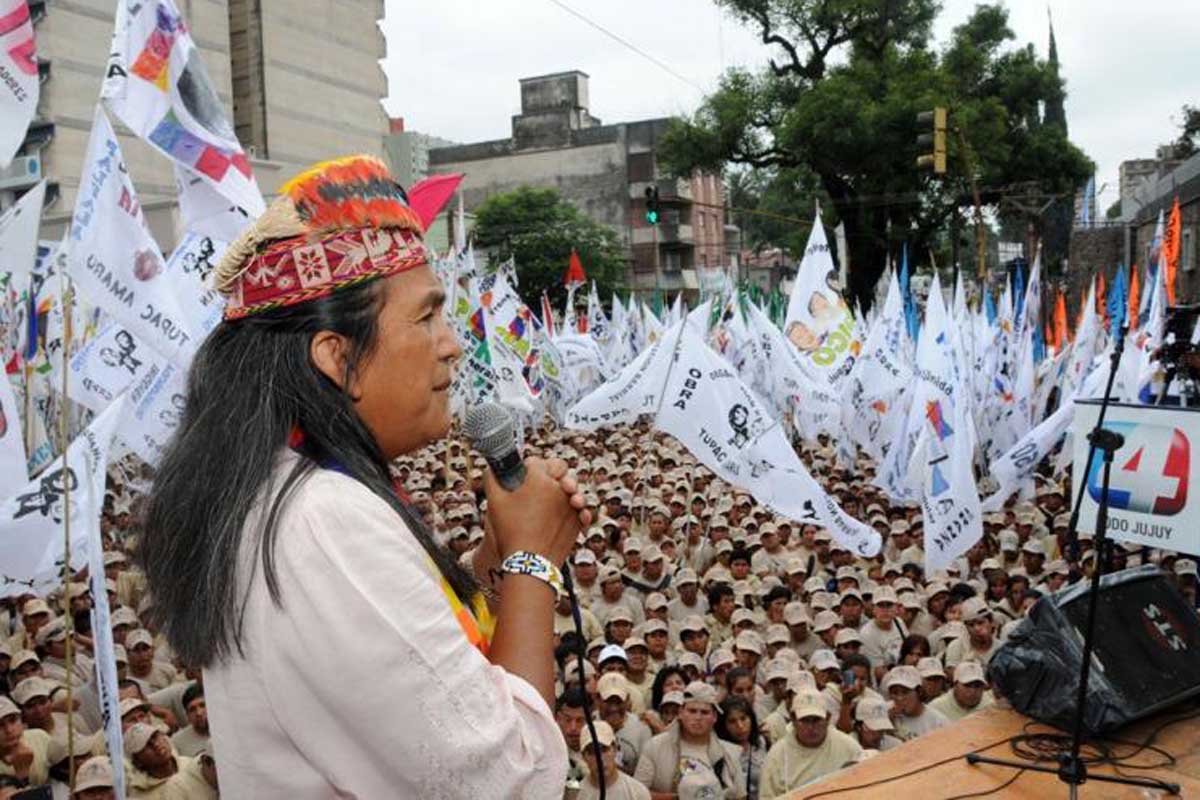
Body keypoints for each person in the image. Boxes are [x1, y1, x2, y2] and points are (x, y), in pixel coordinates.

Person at [137, 156, 589, 797]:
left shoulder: (292, 496)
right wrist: (533, 564)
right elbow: (511, 780)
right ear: (337, 357)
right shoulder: (323, 521)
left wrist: (493, 558)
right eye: (427, 316)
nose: (453, 344)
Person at [634, 682, 746, 799]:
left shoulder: (729, 754)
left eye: (704, 712)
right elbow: (637, 793)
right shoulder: (655, 746)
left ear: (714, 717)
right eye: (692, 711)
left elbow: (740, 796)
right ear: (681, 713)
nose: (698, 717)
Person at [759, 689, 862, 798]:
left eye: (817, 720)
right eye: (804, 720)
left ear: (828, 718)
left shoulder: (849, 747)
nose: (811, 727)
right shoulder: (777, 756)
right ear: (793, 719)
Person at [578, 720, 651, 800]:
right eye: (592, 752)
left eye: (604, 749)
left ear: (615, 749)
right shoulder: (577, 795)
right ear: (584, 757)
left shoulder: (637, 792)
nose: (600, 758)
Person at [717, 696, 767, 800]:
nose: (740, 726)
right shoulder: (719, 753)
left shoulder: (761, 742)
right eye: (732, 721)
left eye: (743, 718)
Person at [884, 666, 949, 742]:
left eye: (905, 692)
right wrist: (886, 724)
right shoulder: (884, 712)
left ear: (919, 692)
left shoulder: (938, 722)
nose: (899, 698)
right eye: (894, 693)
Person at [0, 695, 50, 787]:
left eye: (13, 720)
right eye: (0, 725)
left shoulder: (39, 737)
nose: (9, 730)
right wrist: (22, 776)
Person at [929, 661, 994, 722]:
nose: (973, 691)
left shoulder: (991, 707)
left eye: (977, 686)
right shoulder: (936, 709)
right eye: (967, 685)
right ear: (955, 685)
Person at [170, 684, 210, 758]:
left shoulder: (228, 728)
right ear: (187, 716)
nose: (199, 713)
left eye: (202, 705)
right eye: (192, 710)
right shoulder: (176, 742)